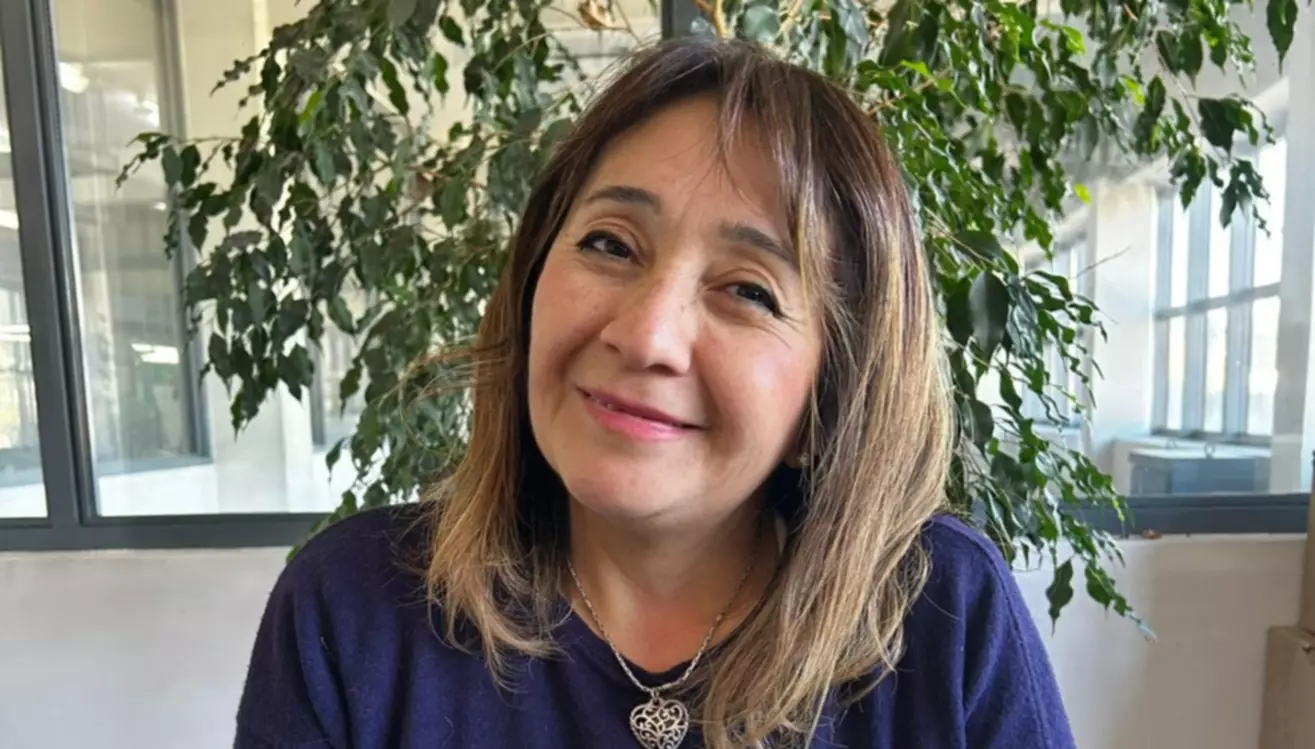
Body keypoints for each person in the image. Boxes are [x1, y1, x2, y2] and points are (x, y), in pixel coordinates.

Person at [235, 37, 1075, 749]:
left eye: (748, 290)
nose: (644, 336)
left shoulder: (940, 613)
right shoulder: (349, 610)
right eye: (610, 244)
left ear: (834, 394)